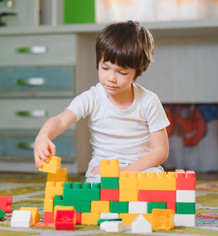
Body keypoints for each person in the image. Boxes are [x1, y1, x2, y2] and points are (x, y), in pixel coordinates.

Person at [34, 21, 170, 183]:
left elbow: (161, 151)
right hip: (104, 167)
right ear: (98, 62)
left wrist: (125, 171)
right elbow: (61, 120)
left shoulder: (149, 101)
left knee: (158, 182)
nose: (111, 78)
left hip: (140, 167)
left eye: (121, 72)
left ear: (137, 73)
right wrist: (43, 136)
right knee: (103, 188)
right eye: (105, 68)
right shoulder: (92, 98)